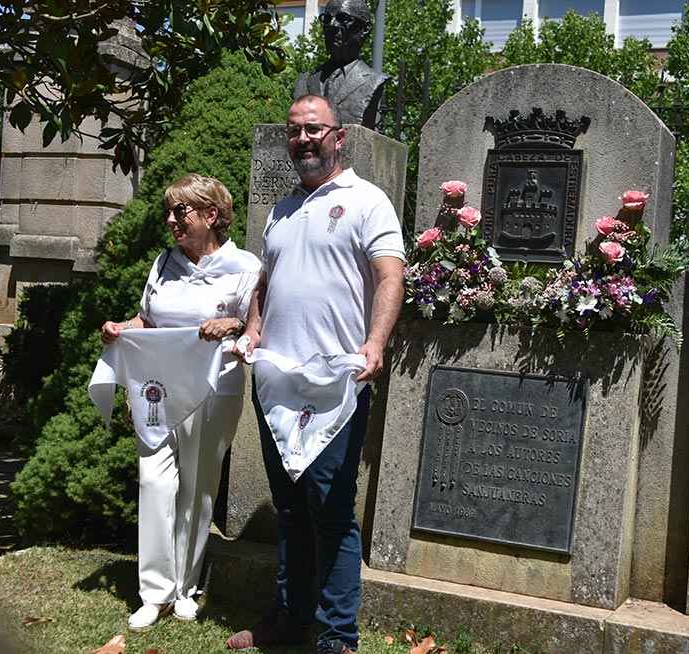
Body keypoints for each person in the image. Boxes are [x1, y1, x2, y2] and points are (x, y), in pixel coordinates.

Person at [226, 94, 405, 654]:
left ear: (339, 137)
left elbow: (389, 276)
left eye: (314, 130)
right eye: (295, 131)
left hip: (336, 385)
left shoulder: (367, 201)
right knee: (290, 510)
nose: (303, 139)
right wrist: (253, 332)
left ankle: (336, 636)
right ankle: (290, 617)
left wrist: (376, 343)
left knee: (330, 511)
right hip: (277, 383)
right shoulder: (280, 211)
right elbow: (264, 285)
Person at [99, 174, 261, 631]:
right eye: (168, 212)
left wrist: (230, 323)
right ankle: (154, 592)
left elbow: (257, 326)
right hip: (158, 388)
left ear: (211, 216)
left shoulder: (244, 266)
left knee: (197, 486)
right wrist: (122, 328)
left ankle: (185, 587)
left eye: (180, 212)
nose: (170, 220)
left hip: (214, 389)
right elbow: (147, 318)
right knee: (154, 480)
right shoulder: (163, 263)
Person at [294, 0, 389, 129]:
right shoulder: (304, 81)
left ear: (365, 29)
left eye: (343, 18)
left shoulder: (374, 81)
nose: (332, 25)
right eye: (327, 19)